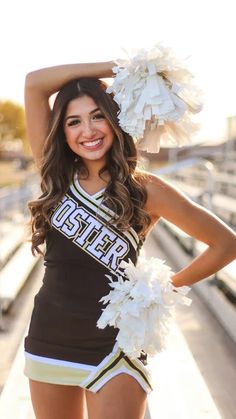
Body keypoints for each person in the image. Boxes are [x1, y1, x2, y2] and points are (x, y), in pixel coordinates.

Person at [23, 60, 236, 419]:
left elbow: (226, 243)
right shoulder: (55, 175)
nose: (87, 130)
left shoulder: (145, 189)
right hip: (50, 337)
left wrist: (160, 289)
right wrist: (122, 66)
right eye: (73, 122)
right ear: (61, 132)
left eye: (97, 116)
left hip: (117, 346)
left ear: (114, 120)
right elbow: (34, 83)